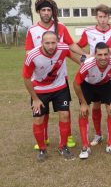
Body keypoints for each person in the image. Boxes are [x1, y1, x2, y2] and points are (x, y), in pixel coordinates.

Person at [25, 0, 87, 150]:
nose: (46, 13)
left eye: (49, 10)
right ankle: (43, 138)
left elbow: (70, 46)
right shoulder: (32, 30)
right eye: (43, 10)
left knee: (64, 110)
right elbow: (29, 52)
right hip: (39, 79)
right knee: (42, 112)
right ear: (39, 12)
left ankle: (68, 136)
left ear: (52, 12)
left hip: (60, 77)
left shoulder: (60, 27)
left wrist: (87, 56)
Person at [23, 31, 79, 162]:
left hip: (60, 88)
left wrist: (84, 63)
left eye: (53, 42)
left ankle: (63, 146)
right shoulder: (32, 56)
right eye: (47, 43)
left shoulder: (63, 48)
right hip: (40, 91)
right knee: (38, 119)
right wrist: (35, 99)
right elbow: (26, 78)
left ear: (57, 42)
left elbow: (73, 56)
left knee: (65, 115)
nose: (50, 46)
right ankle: (42, 149)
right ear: (41, 43)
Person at [77, 4, 111, 146]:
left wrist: (110, 51)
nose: (103, 20)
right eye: (100, 17)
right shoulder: (89, 31)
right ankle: (98, 134)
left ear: (109, 17)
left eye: (105, 17)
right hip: (94, 73)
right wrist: (85, 56)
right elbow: (78, 45)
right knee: (96, 106)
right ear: (96, 17)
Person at [73, 42, 111, 159]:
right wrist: (83, 103)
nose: (103, 58)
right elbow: (76, 83)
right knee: (83, 113)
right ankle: (85, 146)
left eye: (106, 54)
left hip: (105, 84)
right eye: (100, 55)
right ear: (95, 55)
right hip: (88, 85)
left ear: (109, 54)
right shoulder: (87, 64)